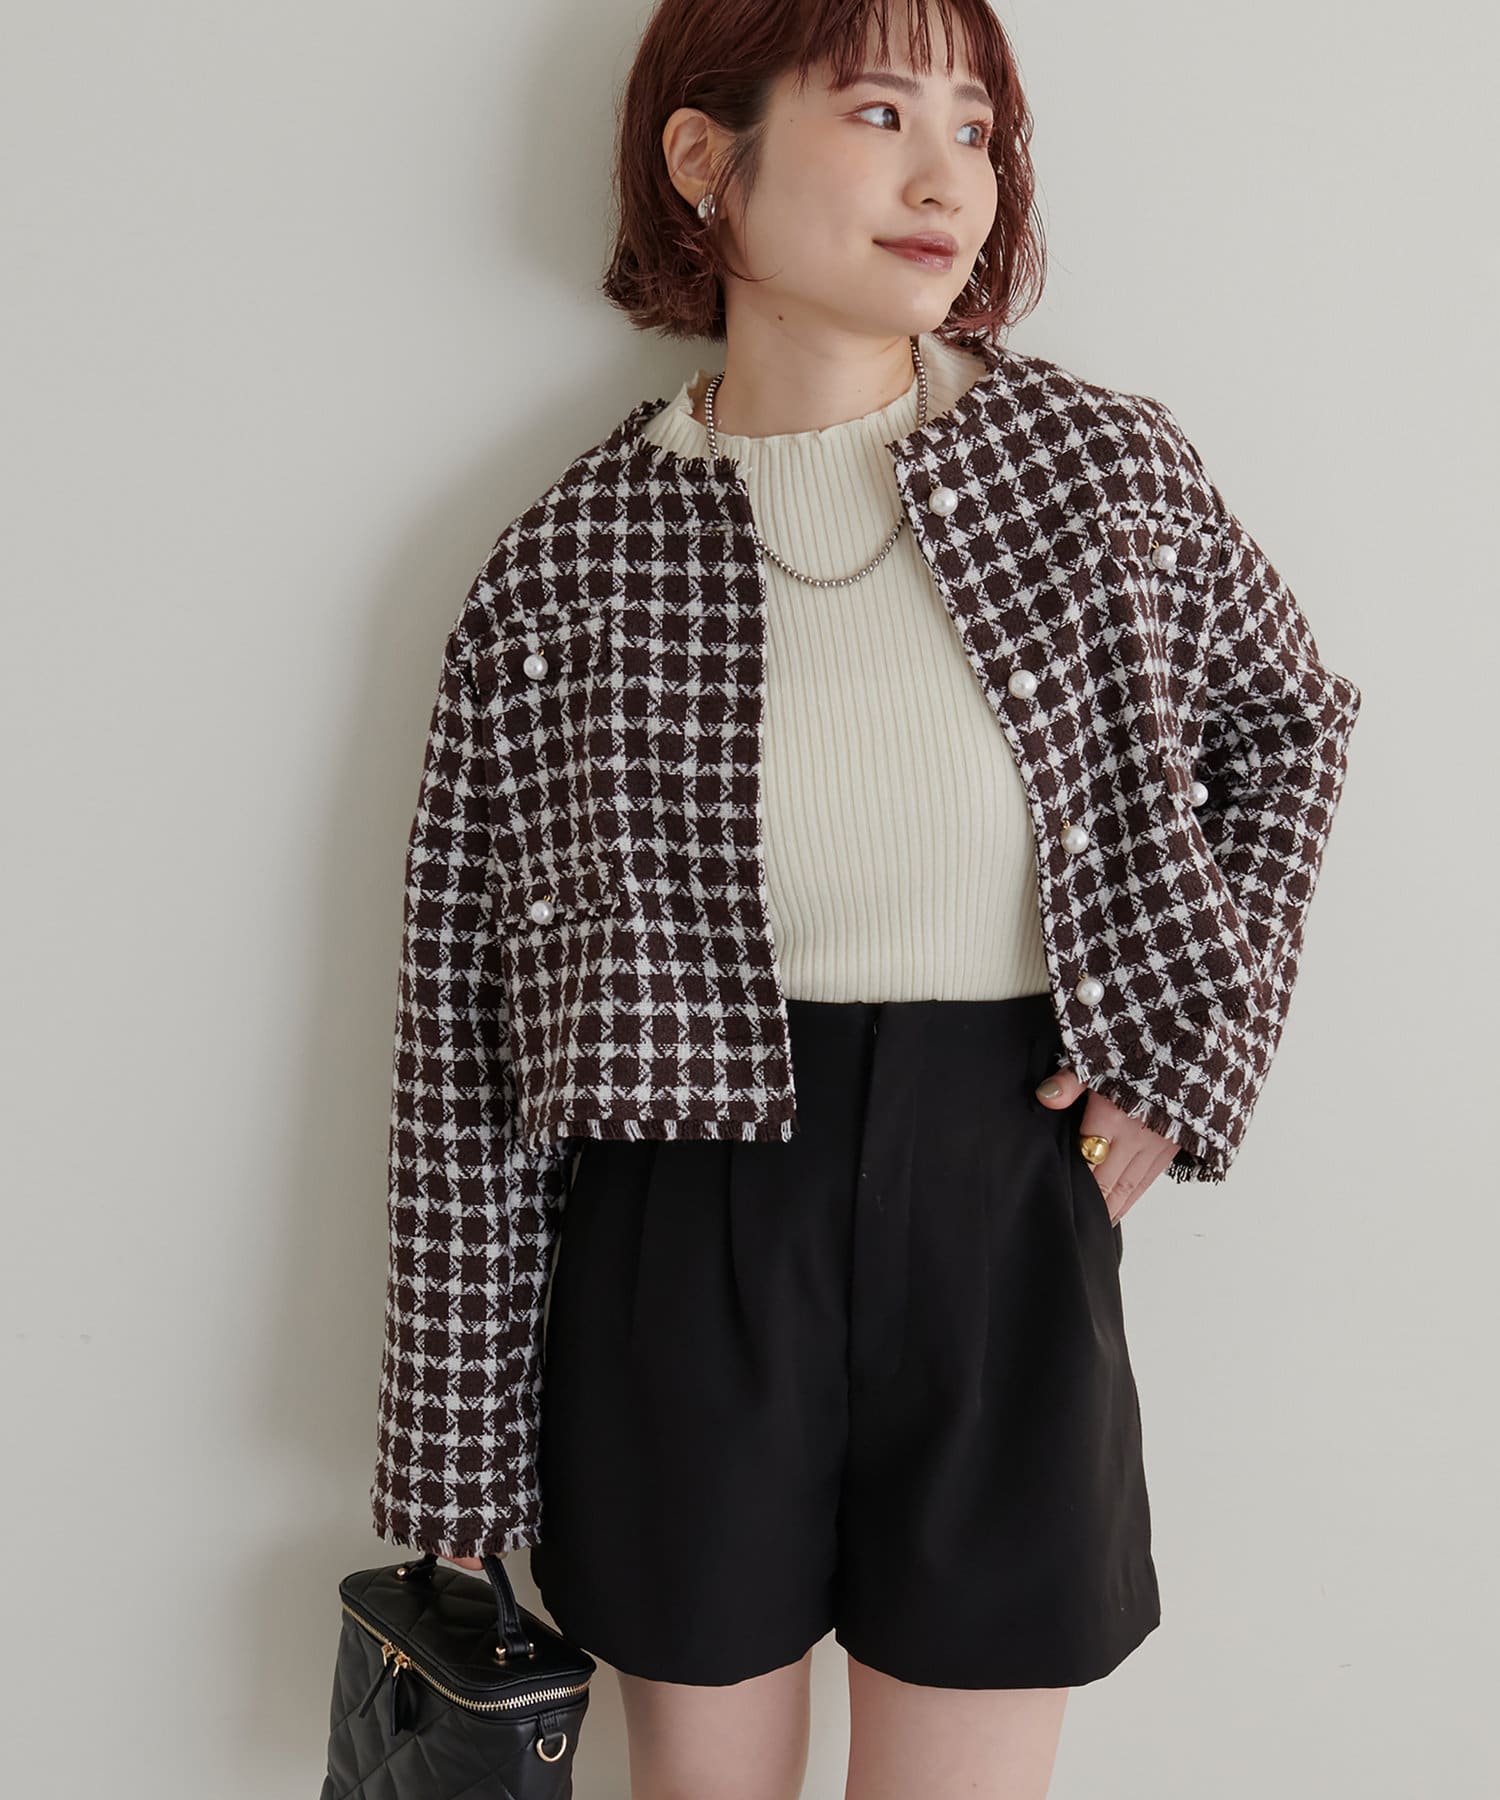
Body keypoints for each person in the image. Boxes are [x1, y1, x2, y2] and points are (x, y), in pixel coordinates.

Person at [368, 2, 1362, 1795]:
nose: (947, 177)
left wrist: (1188, 1064)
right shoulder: (564, 565)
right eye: (881, 112)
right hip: (681, 1226)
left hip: (1009, 1188)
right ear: (706, 159)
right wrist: (455, 1459)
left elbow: (1291, 725)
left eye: (975, 127)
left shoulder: (1099, 473)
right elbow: (461, 1024)